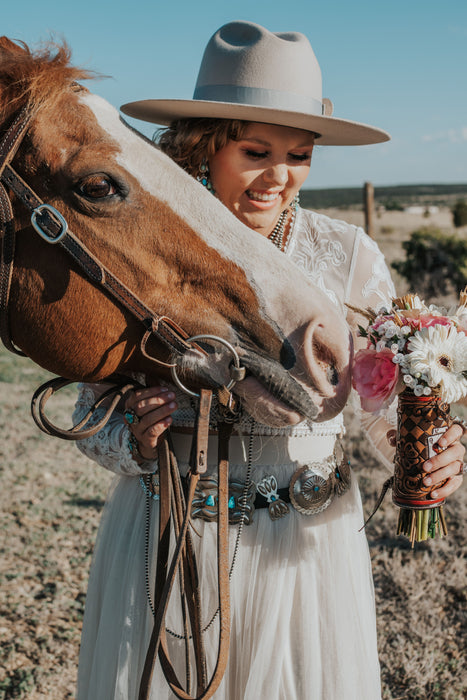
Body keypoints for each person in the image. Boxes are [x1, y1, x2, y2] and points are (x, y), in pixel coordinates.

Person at [73, 20, 465, 700]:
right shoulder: (139, 250)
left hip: (303, 545)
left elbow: (379, 401)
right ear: (205, 143)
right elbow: (89, 413)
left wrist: (421, 447)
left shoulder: (344, 255)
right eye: (256, 150)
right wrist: (133, 438)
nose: (278, 176)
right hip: (170, 537)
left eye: (300, 154)